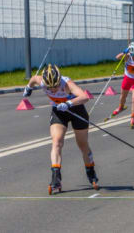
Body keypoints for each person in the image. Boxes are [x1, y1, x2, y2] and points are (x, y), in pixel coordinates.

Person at [23, 64, 98, 194]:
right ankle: (56, 177)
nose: (52, 90)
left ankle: (91, 172)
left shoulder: (67, 83)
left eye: (55, 86)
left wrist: (69, 103)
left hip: (76, 110)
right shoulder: (41, 81)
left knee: (82, 144)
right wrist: (28, 88)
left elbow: (84, 97)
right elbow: (34, 79)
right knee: (56, 142)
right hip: (59, 111)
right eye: (49, 88)